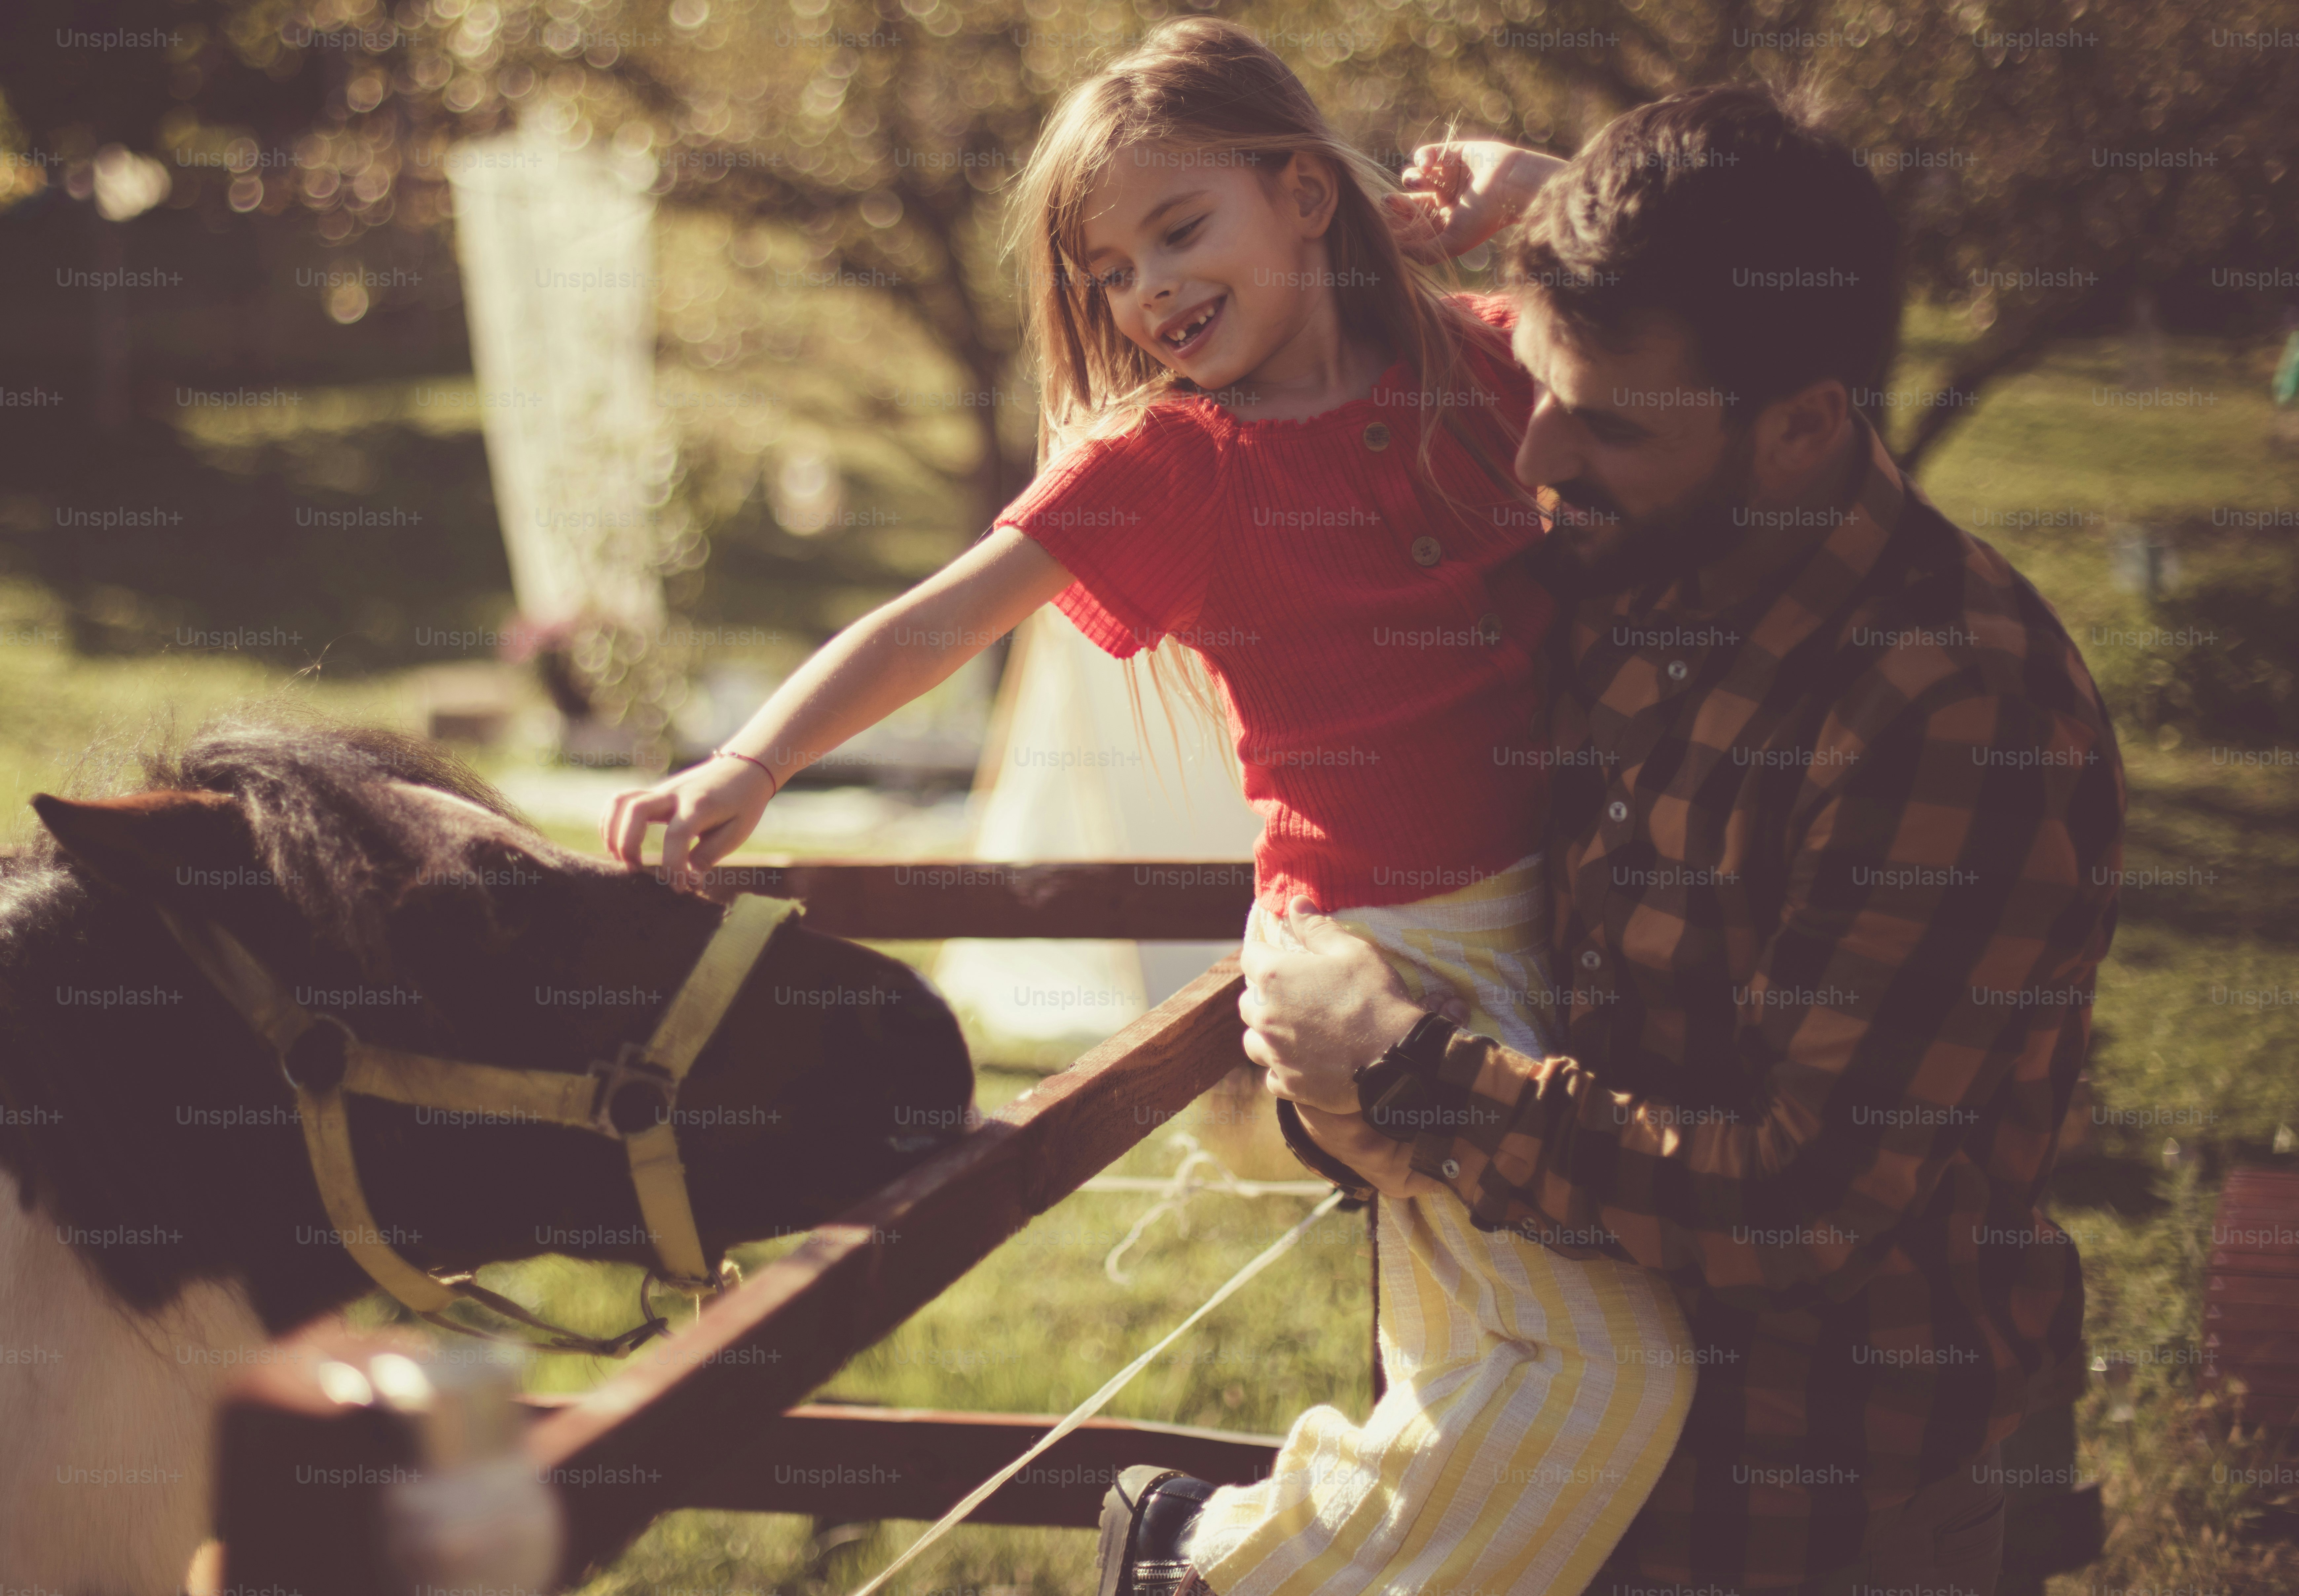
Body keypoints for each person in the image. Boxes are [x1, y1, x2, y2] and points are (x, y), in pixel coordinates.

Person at [603, 19, 1699, 1596]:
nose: (1146, 293)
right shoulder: (1173, 468)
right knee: (1614, 1376)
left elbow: (1683, 283)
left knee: (1491, 1372)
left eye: (1180, 231)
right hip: (1391, 959)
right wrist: (750, 763)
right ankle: (1210, 1564)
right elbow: (930, 623)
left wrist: (1538, 187)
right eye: (1109, 269)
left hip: (1576, 926)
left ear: (1308, 194)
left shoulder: (1478, 354)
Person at [1239, 84, 2124, 1596]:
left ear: (1802, 426)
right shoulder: (1633, 564)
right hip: (1549, 1444)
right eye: (1537, 384)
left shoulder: (1953, 709)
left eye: (1613, 427)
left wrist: (1409, 1072)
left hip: (1818, 1507)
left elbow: (1800, 1202)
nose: (1536, 463)